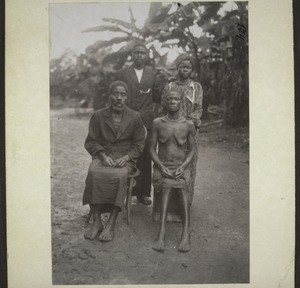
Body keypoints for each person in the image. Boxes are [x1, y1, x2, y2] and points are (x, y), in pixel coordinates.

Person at [83, 81, 145, 242]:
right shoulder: (98, 115)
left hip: (125, 159)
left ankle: (111, 223)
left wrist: (127, 157)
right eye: (115, 94)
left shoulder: (135, 117)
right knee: (93, 173)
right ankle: (97, 221)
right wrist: (103, 155)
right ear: (110, 96)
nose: (119, 98)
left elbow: (139, 144)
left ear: (127, 97)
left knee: (119, 177)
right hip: (103, 156)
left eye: (123, 94)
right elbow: (91, 141)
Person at [149, 87, 196, 252]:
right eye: (169, 99)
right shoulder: (158, 123)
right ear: (165, 102)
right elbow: (151, 150)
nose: (173, 102)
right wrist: (161, 167)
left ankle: (185, 233)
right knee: (167, 185)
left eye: (176, 99)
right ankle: (161, 232)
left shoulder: (188, 125)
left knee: (183, 186)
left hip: (180, 168)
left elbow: (191, 151)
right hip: (162, 167)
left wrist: (183, 167)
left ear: (181, 102)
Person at [115, 42, 160, 205]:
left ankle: (143, 193)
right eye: (136, 53)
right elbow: (116, 94)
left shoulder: (152, 75)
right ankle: (125, 192)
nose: (139, 56)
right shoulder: (122, 73)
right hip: (126, 118)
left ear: (146, 56)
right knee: (125, 152)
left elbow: (156, 97)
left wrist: (151, 115)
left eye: (142, 53)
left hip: (146, 120)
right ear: (132, 55)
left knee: (146, 153)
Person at [161, 53, 203, 202]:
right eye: (182, 66)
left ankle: (186, 201)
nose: (185, 69)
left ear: (192, 70)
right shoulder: (170, 86)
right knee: (170, 162)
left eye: (188, 67)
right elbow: (163, 107)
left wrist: (186, 122)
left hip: (190, 131)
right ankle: (168, 203)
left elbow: (198, 109)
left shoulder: (196, 87)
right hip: (170, 131)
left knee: (188, 164)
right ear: (177, 67)